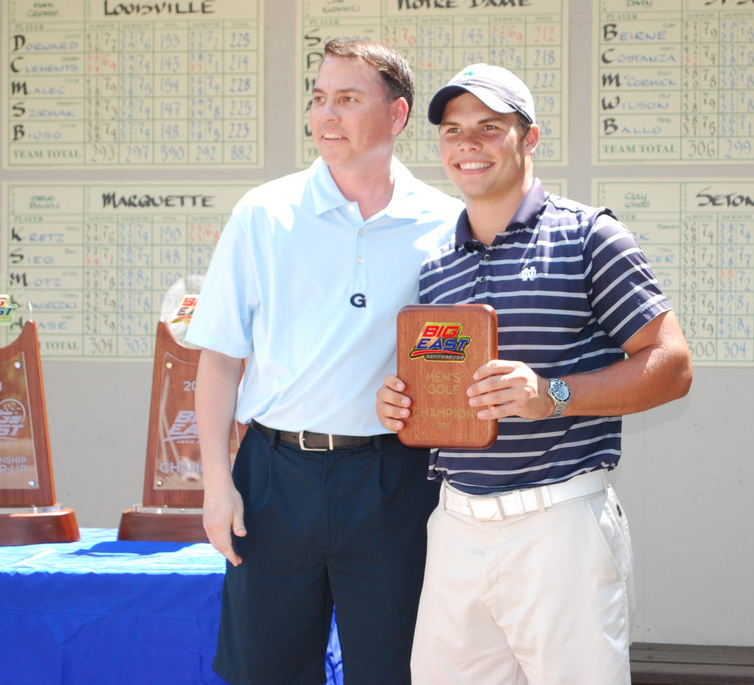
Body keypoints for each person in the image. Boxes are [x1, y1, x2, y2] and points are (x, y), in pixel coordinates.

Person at [376, 64, 694, 684]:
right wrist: (402, 403)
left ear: (530, 137)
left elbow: (672, 365)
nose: (468, 144)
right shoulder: (436, 262)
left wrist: (552, 395)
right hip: (455, 526)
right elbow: (440, 384)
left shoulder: (591, 236)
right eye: (452, 129)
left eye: (489, 127)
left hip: (560, 526)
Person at [187, 40, 462, 685]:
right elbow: (221, 359)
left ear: (396, 117)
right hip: (274, 481)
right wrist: (216, 485)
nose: (325, 116)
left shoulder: (447, 224)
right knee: (267, 671)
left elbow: (454, 353)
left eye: (347, 99)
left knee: (396, 671)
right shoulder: (263, 214)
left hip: (395, 483)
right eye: (318, 99)